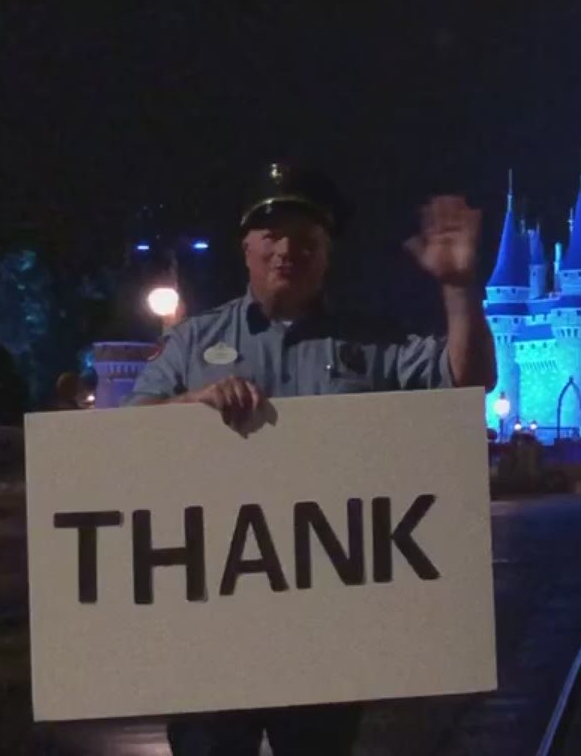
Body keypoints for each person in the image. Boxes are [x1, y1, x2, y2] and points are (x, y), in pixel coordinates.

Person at [127, 163, 496, 756]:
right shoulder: (194, 342)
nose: (286, 250)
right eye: (271, 235)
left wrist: (457, 288)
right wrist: (191, 404)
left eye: (306, 238)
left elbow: (465, 382)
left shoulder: (370, 343)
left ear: (328, 252)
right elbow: (122, 444)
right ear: (246, 246)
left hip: (322, 633)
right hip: (212, 634)